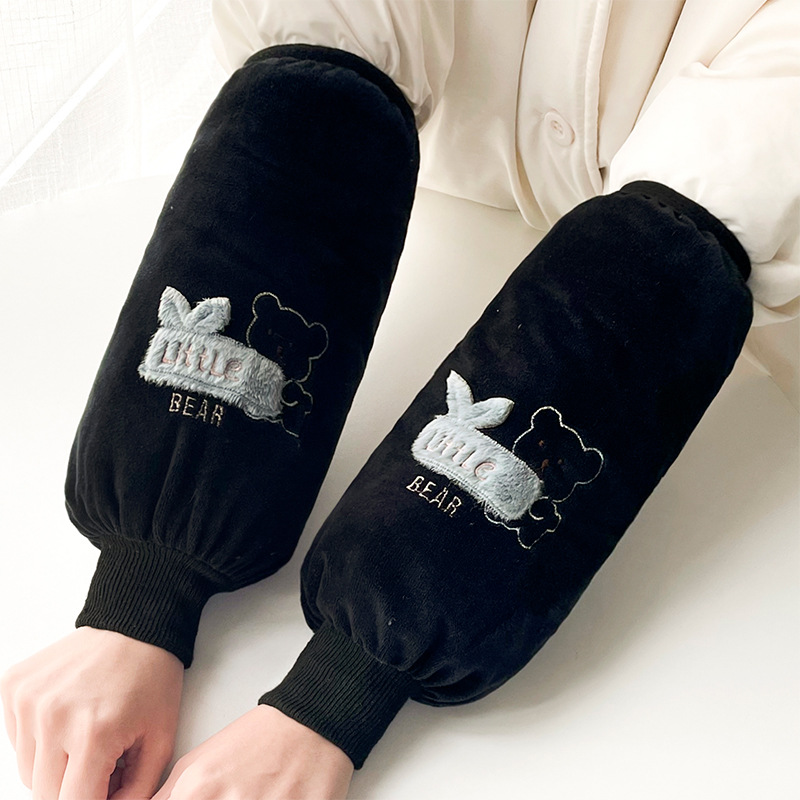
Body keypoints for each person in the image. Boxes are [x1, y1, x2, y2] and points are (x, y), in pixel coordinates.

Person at [2, 1, 798, 799]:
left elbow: (696, 223)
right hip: (444, 186)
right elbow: (319, 91)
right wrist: (143, 592)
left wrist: (332, 700)